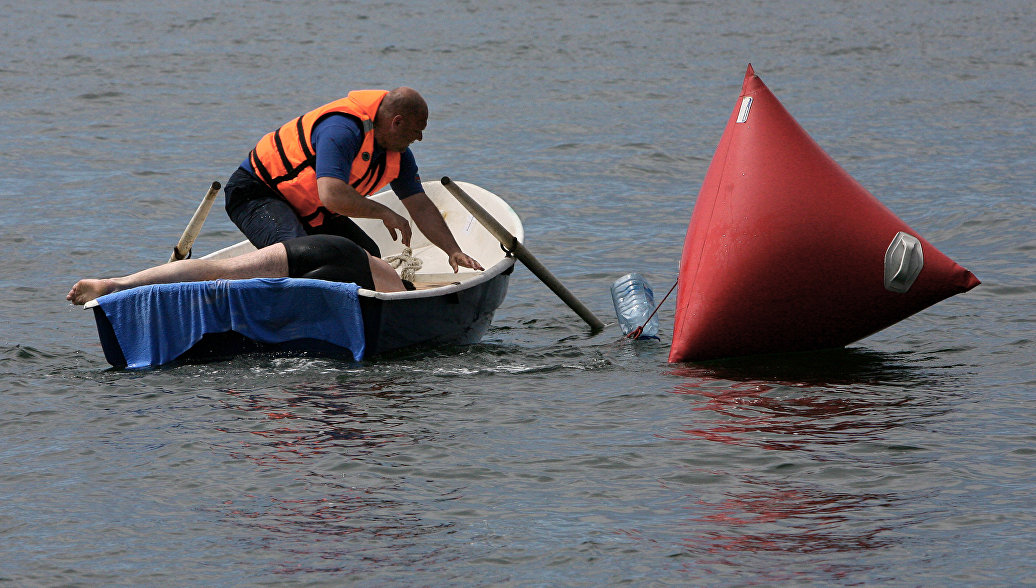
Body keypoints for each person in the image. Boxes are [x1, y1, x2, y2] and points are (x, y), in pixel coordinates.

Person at [224, 86, 484, 274]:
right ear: (397, 122)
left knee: (368, 259)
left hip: (308, 208)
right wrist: (385, 213)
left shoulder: (399, 155)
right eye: (417, 131)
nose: (419, 139)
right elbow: (332, 195)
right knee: (303, 255)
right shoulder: (342, 129)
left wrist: (453, 250)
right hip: (257, 194)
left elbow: (420, 204)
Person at [66, 235, 409, 306]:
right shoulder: (400, 289)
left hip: (321, 245)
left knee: (220, 271)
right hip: (348, 265)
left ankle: (116, 284)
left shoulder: (386, 271)